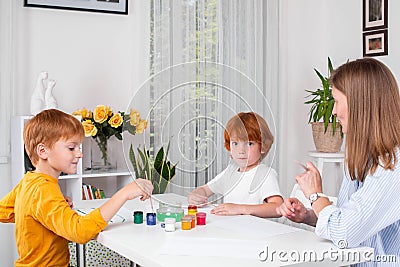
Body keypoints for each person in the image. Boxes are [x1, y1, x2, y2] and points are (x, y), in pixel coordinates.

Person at [277, 58, 400, 265]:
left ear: (359, 104)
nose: (333, 112)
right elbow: (355, 219)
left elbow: (346, 232)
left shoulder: (392, 167)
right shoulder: (368, 159)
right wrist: (309, 215)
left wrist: (316, 196)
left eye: (337, 101)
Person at [0, 109, 153, 267]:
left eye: (79, 147)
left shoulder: (29, 180)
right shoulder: (43, 189)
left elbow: (4, 212)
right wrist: (124, 193)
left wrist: (46, 209)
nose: (79, 154)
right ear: (42, 151)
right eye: (71, 148)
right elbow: (80, 232)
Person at [188, 112, 283, 218]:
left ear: (263, 146)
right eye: (235, 143)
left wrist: (240, 209)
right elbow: (205, 189)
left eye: (249, 143)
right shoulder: (231, 171)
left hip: (255, 232)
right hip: (231, 230)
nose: (241, 151)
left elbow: (278, 208)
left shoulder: (265, 174)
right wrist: (196, 195)